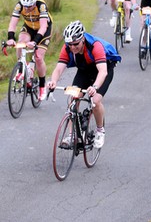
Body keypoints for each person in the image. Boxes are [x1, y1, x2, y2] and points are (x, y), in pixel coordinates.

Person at [47, 20, 119, 149]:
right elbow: (59, 69)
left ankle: (100, 130)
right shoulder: (67, 47)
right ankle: (71, 135)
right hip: (84, 70)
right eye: (70, 45)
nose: (73, 48)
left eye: (76, 44)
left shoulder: (95, 46)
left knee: (95, 101)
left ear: (83, 39)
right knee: (73, 97)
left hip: (103, 69)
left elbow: (103, 72)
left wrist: (95, 87)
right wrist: (53, 81)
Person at [6, 0, 53, 101]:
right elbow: (12, 24)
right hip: (29, 27)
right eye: (25, 6)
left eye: (29, 6)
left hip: (43, 30)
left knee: (38, 57)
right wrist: (11, 38)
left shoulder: (41, 6)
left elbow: (43, 27)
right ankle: (21, 69)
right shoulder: (19, 6)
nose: (26, 9)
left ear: (34, 2)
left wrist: (35, 42)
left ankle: (42, 86)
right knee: (20, 43)